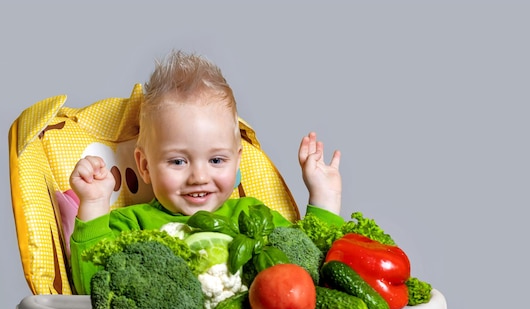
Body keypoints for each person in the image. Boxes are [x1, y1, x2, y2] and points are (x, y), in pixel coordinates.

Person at [69, 50, 343, 294]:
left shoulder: (253, 219)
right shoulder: (130, 225)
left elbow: (313, 275)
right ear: (144, 166)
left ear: (237, 162)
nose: (199, 176)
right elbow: (94, 289)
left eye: (216, 160)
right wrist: (94, 203)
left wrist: (324, 199)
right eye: (178, 162)